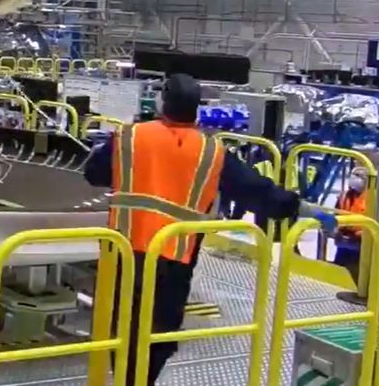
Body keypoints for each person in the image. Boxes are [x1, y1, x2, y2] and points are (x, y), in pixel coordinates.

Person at [84, 73, 336, 386]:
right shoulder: (211, 151)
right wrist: (302, 208)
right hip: (175, 259)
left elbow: (93, 173)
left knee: (123, 328)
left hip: (125, 251)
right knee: (159, 334)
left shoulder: (130, 137)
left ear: (163, 103)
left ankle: (126, 378)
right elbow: (255, 190)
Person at [334, 166, 370, 282]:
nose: (355, 179)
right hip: (344, 238)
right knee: (340, 263)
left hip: (364, 241)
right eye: (354, 175)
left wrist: (364, 233)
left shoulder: (372, 198)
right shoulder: (344, 195)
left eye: (359, 176)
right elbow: (336, 214)